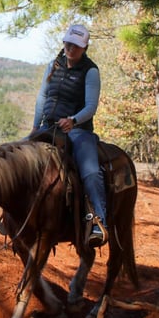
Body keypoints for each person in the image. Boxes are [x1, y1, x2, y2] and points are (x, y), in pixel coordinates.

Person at [32, 23, 108, 248]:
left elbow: (91, 107)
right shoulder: (53, 65)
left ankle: (98, 221)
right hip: (48, 127)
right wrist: (36, 127)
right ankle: (10, 217)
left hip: (78, 130)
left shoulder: (90, 71)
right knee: (16, 158)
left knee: (91, 172)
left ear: (84, 47)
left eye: (76, 45)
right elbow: (41, 98)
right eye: (68, 43)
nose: (70, 48)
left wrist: (73, 120)